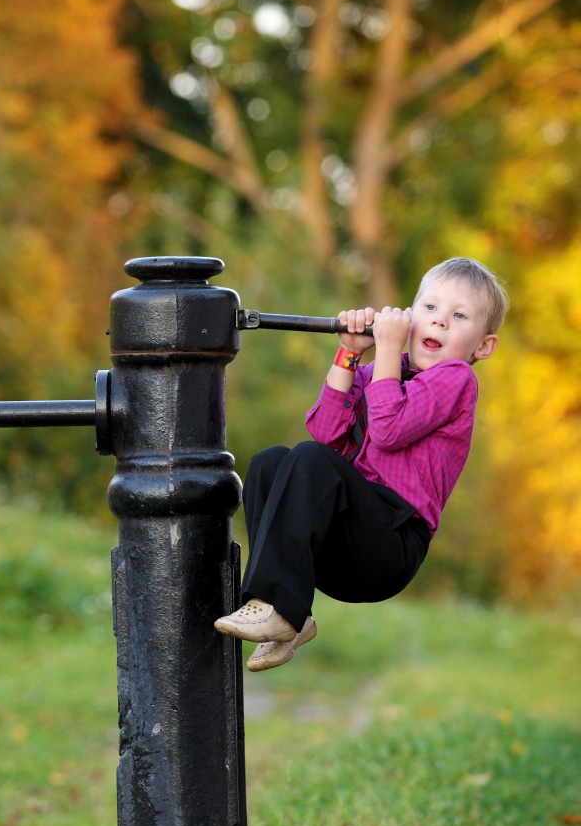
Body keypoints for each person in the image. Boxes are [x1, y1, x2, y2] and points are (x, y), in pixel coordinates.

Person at [215, 256, 508, 671]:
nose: (439, 322)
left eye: (459, 315)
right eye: (430, 308)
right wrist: (349, 354)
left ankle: (277, 603)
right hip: (342, 545)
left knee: (309, 459)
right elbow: (326, 431)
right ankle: (290, 612)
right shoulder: (383, 372)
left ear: (483, 345)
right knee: (271, 462)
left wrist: (387, 348)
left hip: (390, 547)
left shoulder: (457, 379)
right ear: (411, 315)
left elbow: (388, 430)